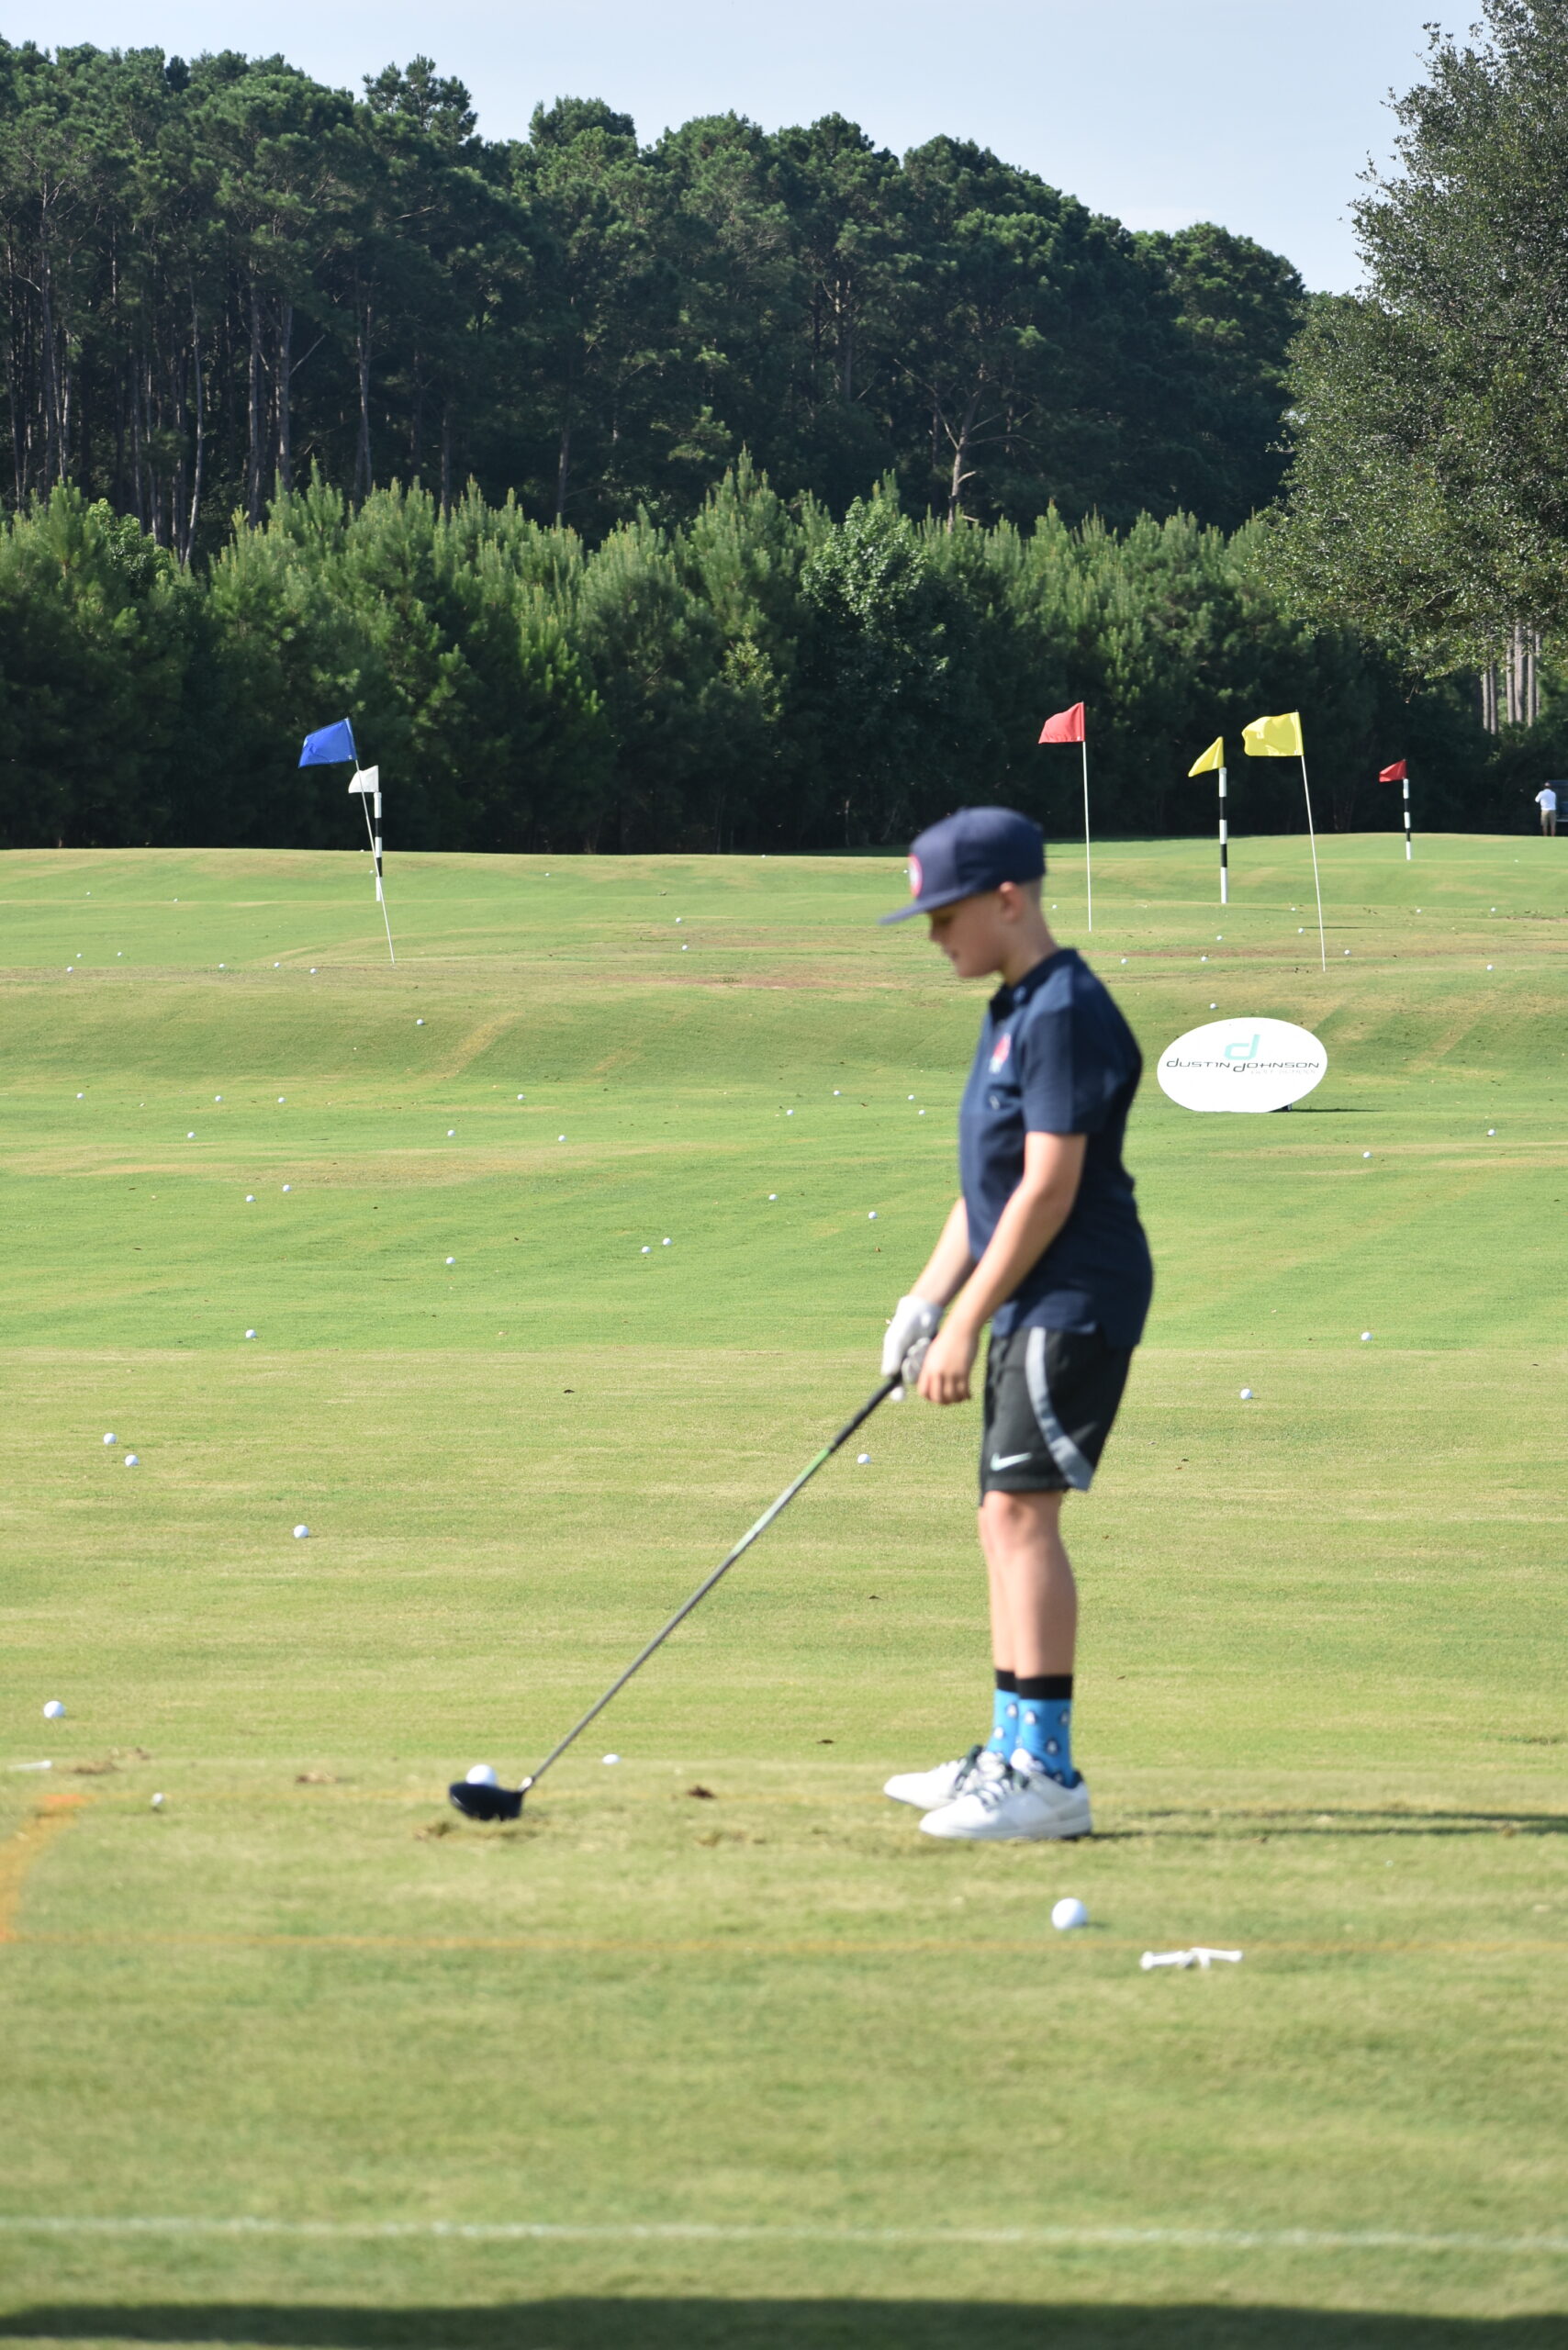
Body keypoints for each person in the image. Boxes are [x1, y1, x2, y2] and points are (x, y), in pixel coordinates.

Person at [876, 807, 1152, 1841]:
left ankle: (1044, 1774)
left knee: (1023, 1518)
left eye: (945, 916)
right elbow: (985, 1190)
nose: (934, 937)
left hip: (1071, 1296)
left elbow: (1046, 1189)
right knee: (1004, 1516)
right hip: (1031, 1293)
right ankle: (1008, 1750)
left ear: (1006, 900)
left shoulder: (1064, 1010)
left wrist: (964, 1324)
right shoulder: (1014, 1008)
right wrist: (922, 1302)